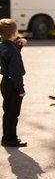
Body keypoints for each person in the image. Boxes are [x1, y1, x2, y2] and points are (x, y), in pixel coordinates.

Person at [0, 19, 27, 147]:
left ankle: (6, 137)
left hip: (5, 83)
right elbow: (16, 73)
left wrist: (19, 45)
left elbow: (10, 53)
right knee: (13, 114)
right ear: (14, 33)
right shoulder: (13, 51)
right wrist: (21, 90)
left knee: (8, 112)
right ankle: (10, 139)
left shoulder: (3, 45)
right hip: (13, 85)